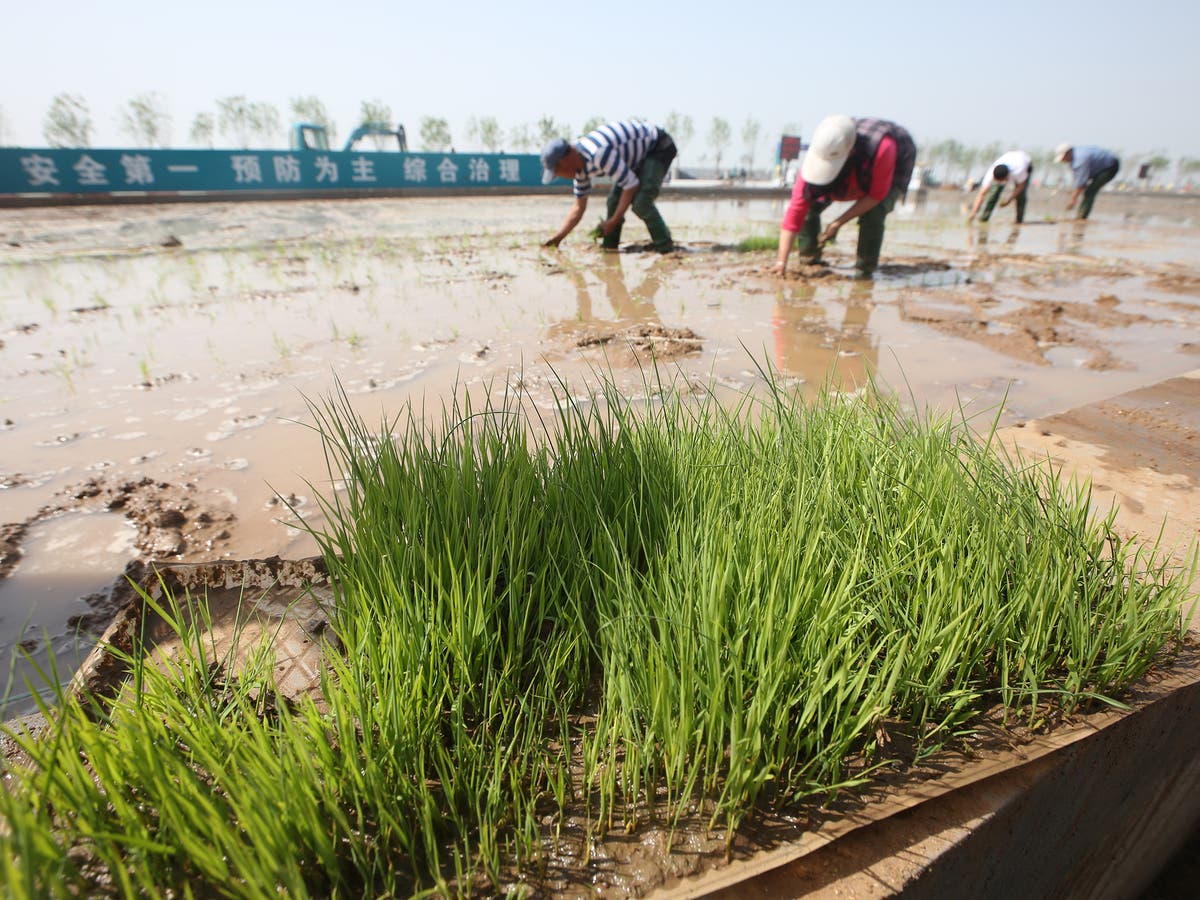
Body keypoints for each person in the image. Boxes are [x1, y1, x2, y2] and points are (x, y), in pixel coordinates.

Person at [770, 114, 916, 279]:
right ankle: (809, 259)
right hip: (851, 171)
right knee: (809, 205)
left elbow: (876, 196)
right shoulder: (819, 153)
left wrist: (837, 223)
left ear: (851, 152)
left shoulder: (883, 148)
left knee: (874, 214)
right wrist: (781, 262)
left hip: (891, 164)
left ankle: (865, 271)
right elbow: (795, 211)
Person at [541, 119, 676, 253]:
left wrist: (613, 220)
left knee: (642, 203)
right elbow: (578, 208)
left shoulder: (598, 153)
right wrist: (557, 238)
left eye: (558, 172)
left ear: (565, 162)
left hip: (658, 147)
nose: (560, 176)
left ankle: (665, 248)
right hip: (636, 159)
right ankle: (610, 247)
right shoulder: (580, 169)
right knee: (613, 202)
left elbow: (631, 185)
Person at [1056, 143, 1120, 220]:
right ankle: (1082, 214)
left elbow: (1081, 183)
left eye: (1063, 158)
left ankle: (1082, 216)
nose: (1063, 161)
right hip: (1099, 167)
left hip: (1109, 167)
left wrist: (1073, 200)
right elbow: (1078, 178)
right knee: (1086, 190)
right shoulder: (1076, 154)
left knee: (1090, 191)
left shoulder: (1080, 159)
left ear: (1068, 153)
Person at [967, 150, 1033, 223]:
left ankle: (1019, 220)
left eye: (1000, 181)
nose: (999, 182)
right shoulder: (991, 173)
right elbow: (982, 194)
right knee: (993, 193)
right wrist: (973, 213)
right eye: (996, 180)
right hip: (1009, 159)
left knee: (1020, 196)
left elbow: (1021, 186)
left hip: (1025, 163)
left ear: (1006, 177)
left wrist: (1009, 200)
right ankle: (984, 219)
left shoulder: (1018, 172)